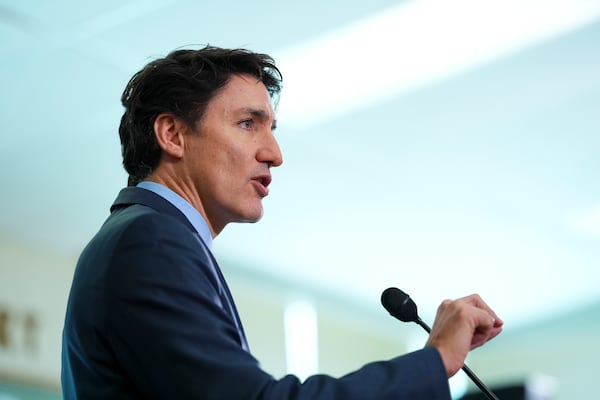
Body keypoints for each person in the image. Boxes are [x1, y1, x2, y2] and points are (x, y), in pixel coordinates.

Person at [61, 45, 503, 399]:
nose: (275, 153)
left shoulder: (146, 238)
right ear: (173, 135)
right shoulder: (150, 241)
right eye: (248, 123)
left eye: (272, 128)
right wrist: (435, 360)